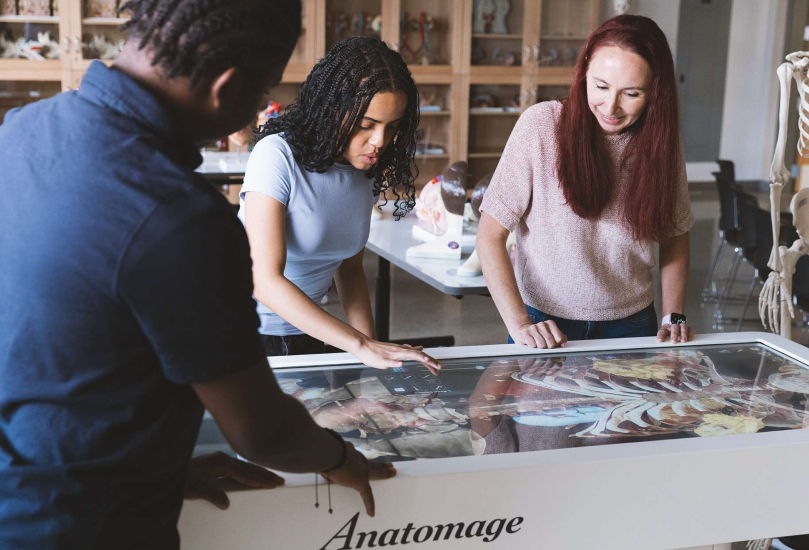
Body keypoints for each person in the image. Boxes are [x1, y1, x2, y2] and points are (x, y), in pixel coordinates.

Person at [0, 2, 394, 549]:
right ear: (226, 87)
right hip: (78, 525)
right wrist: (341, 458)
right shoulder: (182, 220)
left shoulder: (22, 129)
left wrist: (160, 467)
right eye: (262, 94)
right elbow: (262, 432)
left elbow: (63, 342)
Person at [476, 15, 694, 349]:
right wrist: (520, 324)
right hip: (543, 323)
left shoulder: (662, 142)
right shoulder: (541, 126)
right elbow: (490, 236)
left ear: (655, 92)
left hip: (633, 324)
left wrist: (673, 315)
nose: (611, 107)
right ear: (584, 74)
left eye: (632, 93)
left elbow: (675, 234)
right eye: (601, 86)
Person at [239, 36, 441, 373]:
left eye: (392, 127)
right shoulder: (276, 155)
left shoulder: (365, 169)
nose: (379, 141)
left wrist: (376, 356)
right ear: (332, 111)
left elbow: (349, 270)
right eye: (367, 125)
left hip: (310, 331)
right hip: (244, 335)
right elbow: (263, 279)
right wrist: (360, 345)